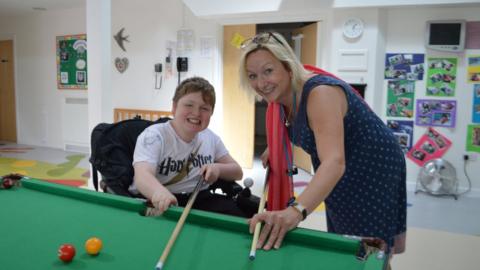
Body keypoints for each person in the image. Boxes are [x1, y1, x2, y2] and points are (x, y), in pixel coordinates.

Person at [239, 32, 407, 256]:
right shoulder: (283, 99)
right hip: (341, 164)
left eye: (268, 71)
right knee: (344, 238)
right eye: (252, 75)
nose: (260, 83)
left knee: (367, 247)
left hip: (372, 166)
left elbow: (335, 163)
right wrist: (276, 146)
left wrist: (295, 211)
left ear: (288, 67)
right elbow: (306, 128)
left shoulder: (320, 94)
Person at [132, 77, 251, 218]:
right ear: (174, 107)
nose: (196, 113)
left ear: (211, 113)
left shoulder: (210, 138)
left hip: (199, 197)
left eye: (204, 108)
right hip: (158, 198)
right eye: (189, 105)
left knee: (240, 217)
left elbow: (237, 172)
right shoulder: (153, 136)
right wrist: (159, 193)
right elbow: (142, 176)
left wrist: (217, 169)